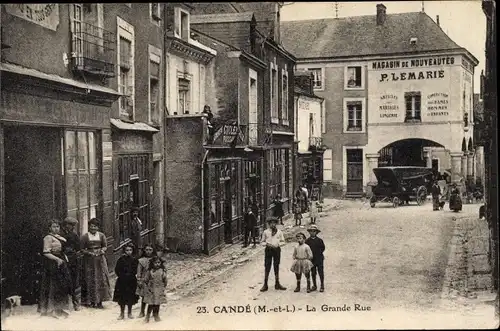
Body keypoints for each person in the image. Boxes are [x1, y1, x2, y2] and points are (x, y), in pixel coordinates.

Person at [38, 219, 72, 318]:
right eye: (53, 226)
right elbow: (46, 252)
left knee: (61, 286)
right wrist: (57, 260)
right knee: (53, 286)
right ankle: (50, 310)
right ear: (49, 228)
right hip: (52, 264)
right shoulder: (48, 238)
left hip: (61, 262)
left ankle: (60, 308)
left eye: (57, 226)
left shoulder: (60, 237)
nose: (56, 228)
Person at [80, 218, 111, 308]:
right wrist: (89, 253)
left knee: (101, 278)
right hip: (89, 261)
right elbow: (81, 249)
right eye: (91, 226)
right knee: (90, 279)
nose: (93, 228)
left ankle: (100, 301)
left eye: (95, 226)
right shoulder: (85, 237)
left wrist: (102, 251)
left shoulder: (101, 235)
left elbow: (105, 246)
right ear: (89, 227)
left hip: (100, 260)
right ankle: (92, 301)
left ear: (98, 227)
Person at [260, 217, 287, 292]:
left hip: (277, 250)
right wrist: (267, 244)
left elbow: (283, 241)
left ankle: (277, 283)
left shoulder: (279, 232)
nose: (272, 224)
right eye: (271, 223)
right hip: (268, 250)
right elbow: (262, 242)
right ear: (269, 224)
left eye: (274, 223)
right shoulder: (265, 232)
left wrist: (278, 244)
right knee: (267, 266)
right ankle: (265, 284)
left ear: (276, 224)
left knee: (276, 266)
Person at [60, 217, 82, 311]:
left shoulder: (74, 235)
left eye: (73, 226)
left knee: (73, 281)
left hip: (72, 260)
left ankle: (75, 303)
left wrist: (73, 253)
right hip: (62, 259)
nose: (71, 227)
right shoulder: (60, 234)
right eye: (70, 225)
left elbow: (78, 247)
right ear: (65, 225)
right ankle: (64, 304)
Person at [113, 243, 139, 320]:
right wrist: (122, 276)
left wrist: (131, 275)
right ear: (124, 251)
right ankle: (122, 313)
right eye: (127, 250)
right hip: (122, 281)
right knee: (122, 298)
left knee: (130, 297)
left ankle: (129, 312)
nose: (129, 252)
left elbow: (136, 270)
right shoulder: (121, 260)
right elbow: (117, 269)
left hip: (131, 281)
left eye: (130, 250)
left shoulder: (134, 260)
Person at [143, 256, 168, 323]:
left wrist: (163, 287)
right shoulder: (150, 271)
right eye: (155, 263)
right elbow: (145, 280)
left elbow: (165, 280)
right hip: (151, 290)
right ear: (152, 263)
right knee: (151, 304)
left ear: (161, 263)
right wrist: (148, 287)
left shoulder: (162, 271)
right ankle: (147, 316)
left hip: (159, 290)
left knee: (157, 303)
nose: (157, 264)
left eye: (158, 262)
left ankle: (156, 315)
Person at [136, 244, 155, 318]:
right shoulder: (141, 260)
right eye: (147, 250)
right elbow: (139, 271)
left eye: (150, 250)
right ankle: (142, 311)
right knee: (144, 296)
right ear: (144, 250)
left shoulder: (155, 259)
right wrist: (139, 279)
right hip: (145, 280)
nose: (148, 251)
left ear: (153, 250)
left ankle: (153, 312)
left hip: (153, 280)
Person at [305, 225, 325, 292]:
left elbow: (323, 248)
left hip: (319, 258)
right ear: (309, 232)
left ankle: (322, 285)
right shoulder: (307, 241)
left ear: (316, 232)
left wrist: (319, 253)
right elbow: (306, 249)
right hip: (311, 259)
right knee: (313, 272)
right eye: (311, 231)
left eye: (314, 231)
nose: (312, 232)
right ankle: (314, 285)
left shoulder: (319, 240)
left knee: (320, 272)